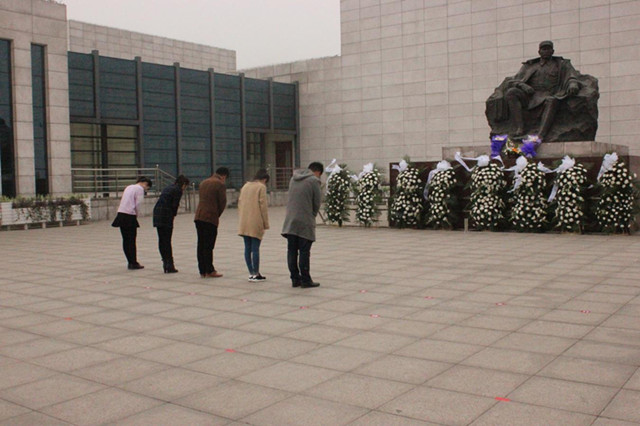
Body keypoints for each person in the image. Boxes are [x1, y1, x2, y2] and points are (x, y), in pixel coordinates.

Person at [486, 40, 598, 142]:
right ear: (539, 51)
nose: (546, 51)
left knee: (552, 101)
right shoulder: (530, 66)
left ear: (552, 51)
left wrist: (573, 83)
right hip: (531, 96)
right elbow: (514, 81)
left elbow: (571, 76)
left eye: (548, 49)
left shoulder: (561, 64)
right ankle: (520, 127)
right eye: (544, 49)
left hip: (551, 94)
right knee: (511, 93)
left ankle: (541, 134)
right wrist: (523, 86)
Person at [282, 162, 323, 288]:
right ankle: (306, 280)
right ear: (318, 172)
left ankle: (295, 279)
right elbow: (317, 202)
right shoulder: (314, 181)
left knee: (292, 251)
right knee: (304, 252)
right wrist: (312, 215)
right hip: (304, 221)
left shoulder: (293, 179)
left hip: (290, 221)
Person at [194, 167, 229, 278]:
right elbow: (222, 202)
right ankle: (210, 270)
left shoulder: (204, 182)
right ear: (224, 176)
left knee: (201, 244)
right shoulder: (220, 184)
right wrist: (217, 214)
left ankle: (202, 270)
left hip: (199, 216)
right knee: (209, 245)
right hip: (210, 217)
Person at [112, 176, 152, 270]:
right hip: (130, 215)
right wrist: (137, 214)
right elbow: (138, 203)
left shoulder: (129, 187)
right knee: (131, 240)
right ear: (145, 184)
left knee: (126, 240)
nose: (146, 190)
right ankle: (133, 262)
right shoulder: (139, 189)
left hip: (121, 213)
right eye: (147, 188)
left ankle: (130, 261)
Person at [238, 169, 270, 282]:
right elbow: (263, 206)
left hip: (244, 221)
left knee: (247, 248)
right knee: (255, 248)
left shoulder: (245, 186)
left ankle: (251, 272)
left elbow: (240, 203)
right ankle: (256, 273)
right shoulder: (261, 187)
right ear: (264, 179)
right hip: (256, 220)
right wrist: (265, 223)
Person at [153, 175, 190, 273]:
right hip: (166, 215)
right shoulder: (178, 190)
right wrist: (173, 215)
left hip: (157, 213)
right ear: (184, 184)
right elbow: (175, 204)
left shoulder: (168, 187)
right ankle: (169, 264)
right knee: (167, 240)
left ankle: (165, 261)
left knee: (162, 239)